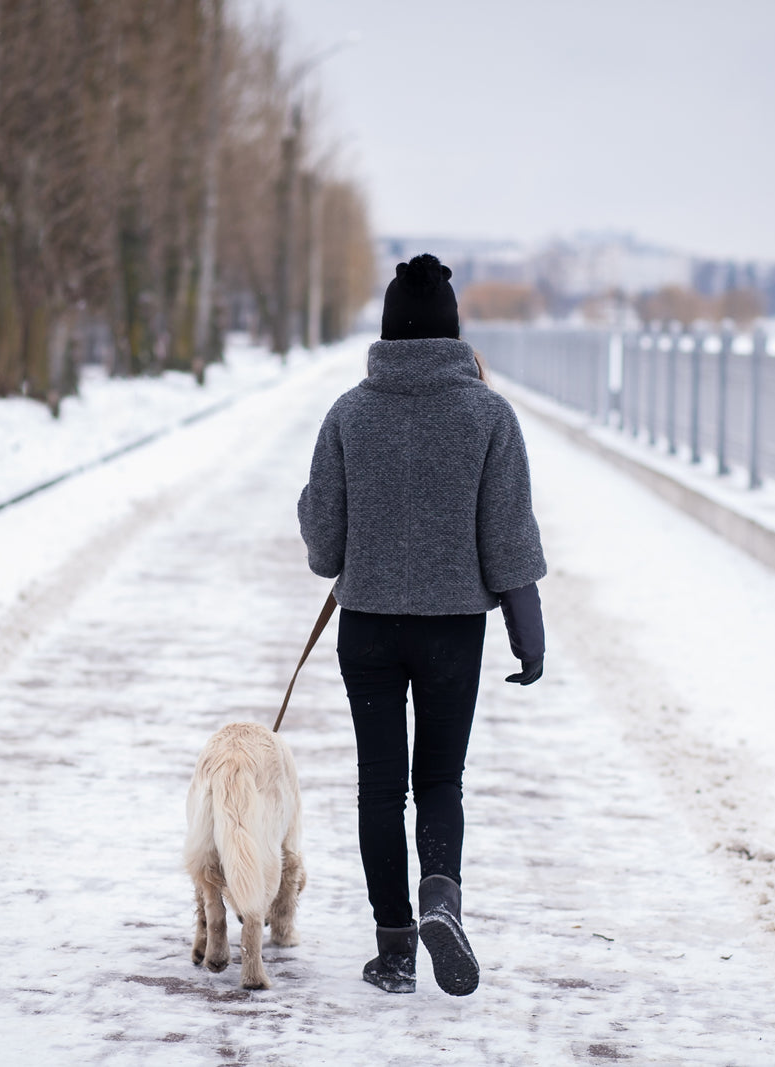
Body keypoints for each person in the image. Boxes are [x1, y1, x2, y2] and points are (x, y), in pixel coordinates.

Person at [297, 253, 546, 997]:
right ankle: (442, 896)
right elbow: (509, 537)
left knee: (381, 785)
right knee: (439, 776)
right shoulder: (488, 414)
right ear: (453, 333)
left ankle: (396, 948)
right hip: (452, 632)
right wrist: (527, 637)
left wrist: (314, 513)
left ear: (386, 331)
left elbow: (323, 546)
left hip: (367, 627)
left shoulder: (348, 412)